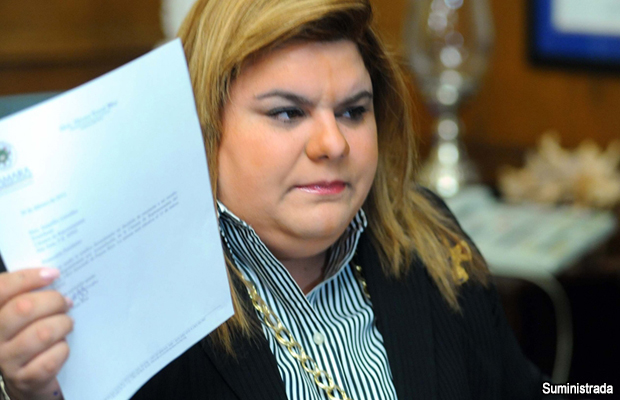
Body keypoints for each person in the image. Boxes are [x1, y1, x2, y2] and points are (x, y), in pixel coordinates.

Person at [0, 0, 554, 399]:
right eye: (287, 113)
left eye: (353, 111)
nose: (333, 144)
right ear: (205, 124)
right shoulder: (125, 293)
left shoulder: (429, 234)